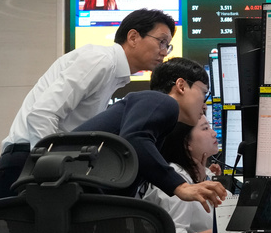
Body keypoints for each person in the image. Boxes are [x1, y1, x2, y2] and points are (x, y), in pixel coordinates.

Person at [0, 8, 176, 198]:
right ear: (133, 37)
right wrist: (51, 171)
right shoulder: (101, 60)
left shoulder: (113, 73)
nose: (164, 52)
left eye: (168, 45)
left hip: (39, 164)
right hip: (27, 165)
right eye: (161, 42)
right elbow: (42, 114)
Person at [74, 57, 226, 211]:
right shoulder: (161, 100)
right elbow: (133, 139)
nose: (205, 105)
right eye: (204, 93)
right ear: (181, 86)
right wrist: (181, 186)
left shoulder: (159, 120)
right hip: (74, 193)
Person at [143, 116, 222, 233]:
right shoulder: (176, 184)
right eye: (205, 128)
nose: (214, 133)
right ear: (187, 143)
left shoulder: (200, 174)